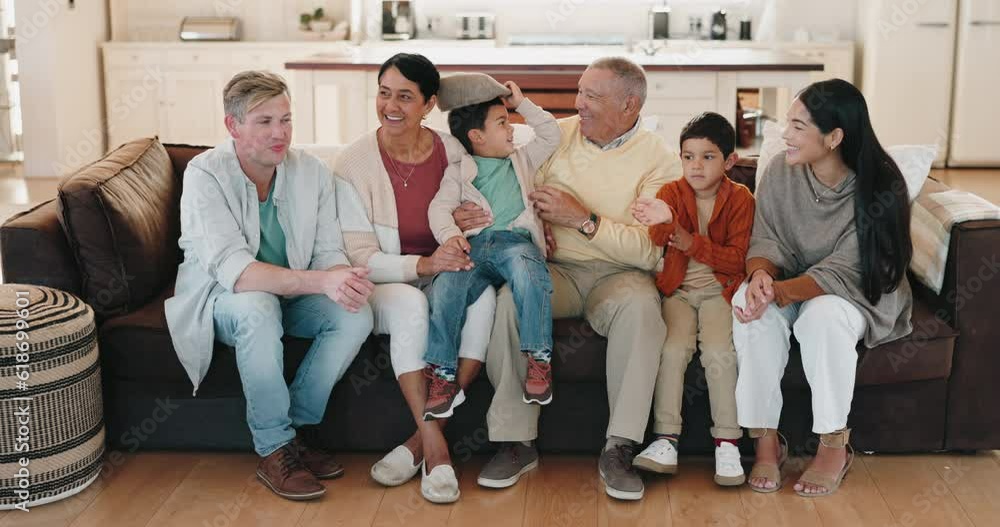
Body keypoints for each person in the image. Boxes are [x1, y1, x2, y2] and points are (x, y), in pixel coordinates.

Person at [466, 57, 682, 501]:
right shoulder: (554, 136)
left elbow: (650, 251)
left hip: (621, 276)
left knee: (643, 312)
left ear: (630, 105)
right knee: (510, 302)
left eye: (592, 96)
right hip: (555, 270)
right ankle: (515, 441)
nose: (578, 103)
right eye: (580, 91)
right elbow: (516, 190)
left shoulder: (659, 160)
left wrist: (584, 221)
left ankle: (620, 447)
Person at [165, 70, 375, 501]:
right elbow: (237, 274)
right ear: (232, 125)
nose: (280, 133)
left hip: (291, 294)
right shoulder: (205, 175)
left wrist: (340, 279)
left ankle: (294, 430)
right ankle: (274, 447)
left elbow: (327, 249)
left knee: (356, 312)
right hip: (223, 299)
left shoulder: (311, 172)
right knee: (257, 305)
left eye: (286, 119)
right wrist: (321, 280)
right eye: (265, 121)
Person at [733, 79, 913, 496]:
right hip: (791, 278)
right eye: (787, 124)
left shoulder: (882, 186)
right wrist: (760, 276)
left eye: (798, 127)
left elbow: (848, 270)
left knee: (824, 319)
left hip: (854, 290)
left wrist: (777, 293)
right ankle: (766, 444)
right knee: (748, 306)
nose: (785, 135)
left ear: (834, 137)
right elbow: (766, 239)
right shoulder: (781, 169)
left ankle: (833, 446)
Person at [332, 53, 496, 504]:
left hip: (442, 273)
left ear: (428, 105)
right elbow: (359, 256)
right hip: (385, 282)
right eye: (385, 93)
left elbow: (485, 219)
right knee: (411, 304)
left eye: (406, 96)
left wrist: (466, 221)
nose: (391, 105)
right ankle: (438, 449)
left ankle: (417, 444)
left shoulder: (453, 152)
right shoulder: (352, 165)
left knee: (482, 301)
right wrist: (423, 266)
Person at [421, 73, 561, 419]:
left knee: (530, 274)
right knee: (447, 288)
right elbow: (438, 207)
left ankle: (539, 358)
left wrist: (521, 104)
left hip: (515, 242)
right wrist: (450, 236)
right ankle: (442, 373)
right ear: (476, 136)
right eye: (502, 123)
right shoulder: (459, 170)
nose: (512, 129)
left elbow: (551, 133)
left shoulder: (522, 159)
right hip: (475, 246)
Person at [631, 111, 754, 487]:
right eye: (688, 156)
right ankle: (666, 439)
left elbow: (738, 259)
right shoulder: (670, 193)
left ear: (729, 161)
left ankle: (728, 441)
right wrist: (663, 219)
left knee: (719, 352)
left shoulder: (740, 199)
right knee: (671, 349)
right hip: (678, 291)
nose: (696, 166)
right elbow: (655, 241)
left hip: (721, 291)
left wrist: (690, 241)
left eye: (708, 156)